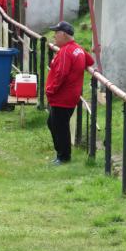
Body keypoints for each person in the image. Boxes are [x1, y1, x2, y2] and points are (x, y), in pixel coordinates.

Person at [46, 21, 94, 165]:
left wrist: (50, 90)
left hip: (62, 96)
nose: (54, 36)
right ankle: (61, 154)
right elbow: (89, 61)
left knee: (59, 126)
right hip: (71, 95)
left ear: (64, 34)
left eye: (56, 33)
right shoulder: (77, 49)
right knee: (53, 123)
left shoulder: (66, 51)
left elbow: (61, 74)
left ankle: (64, 157)